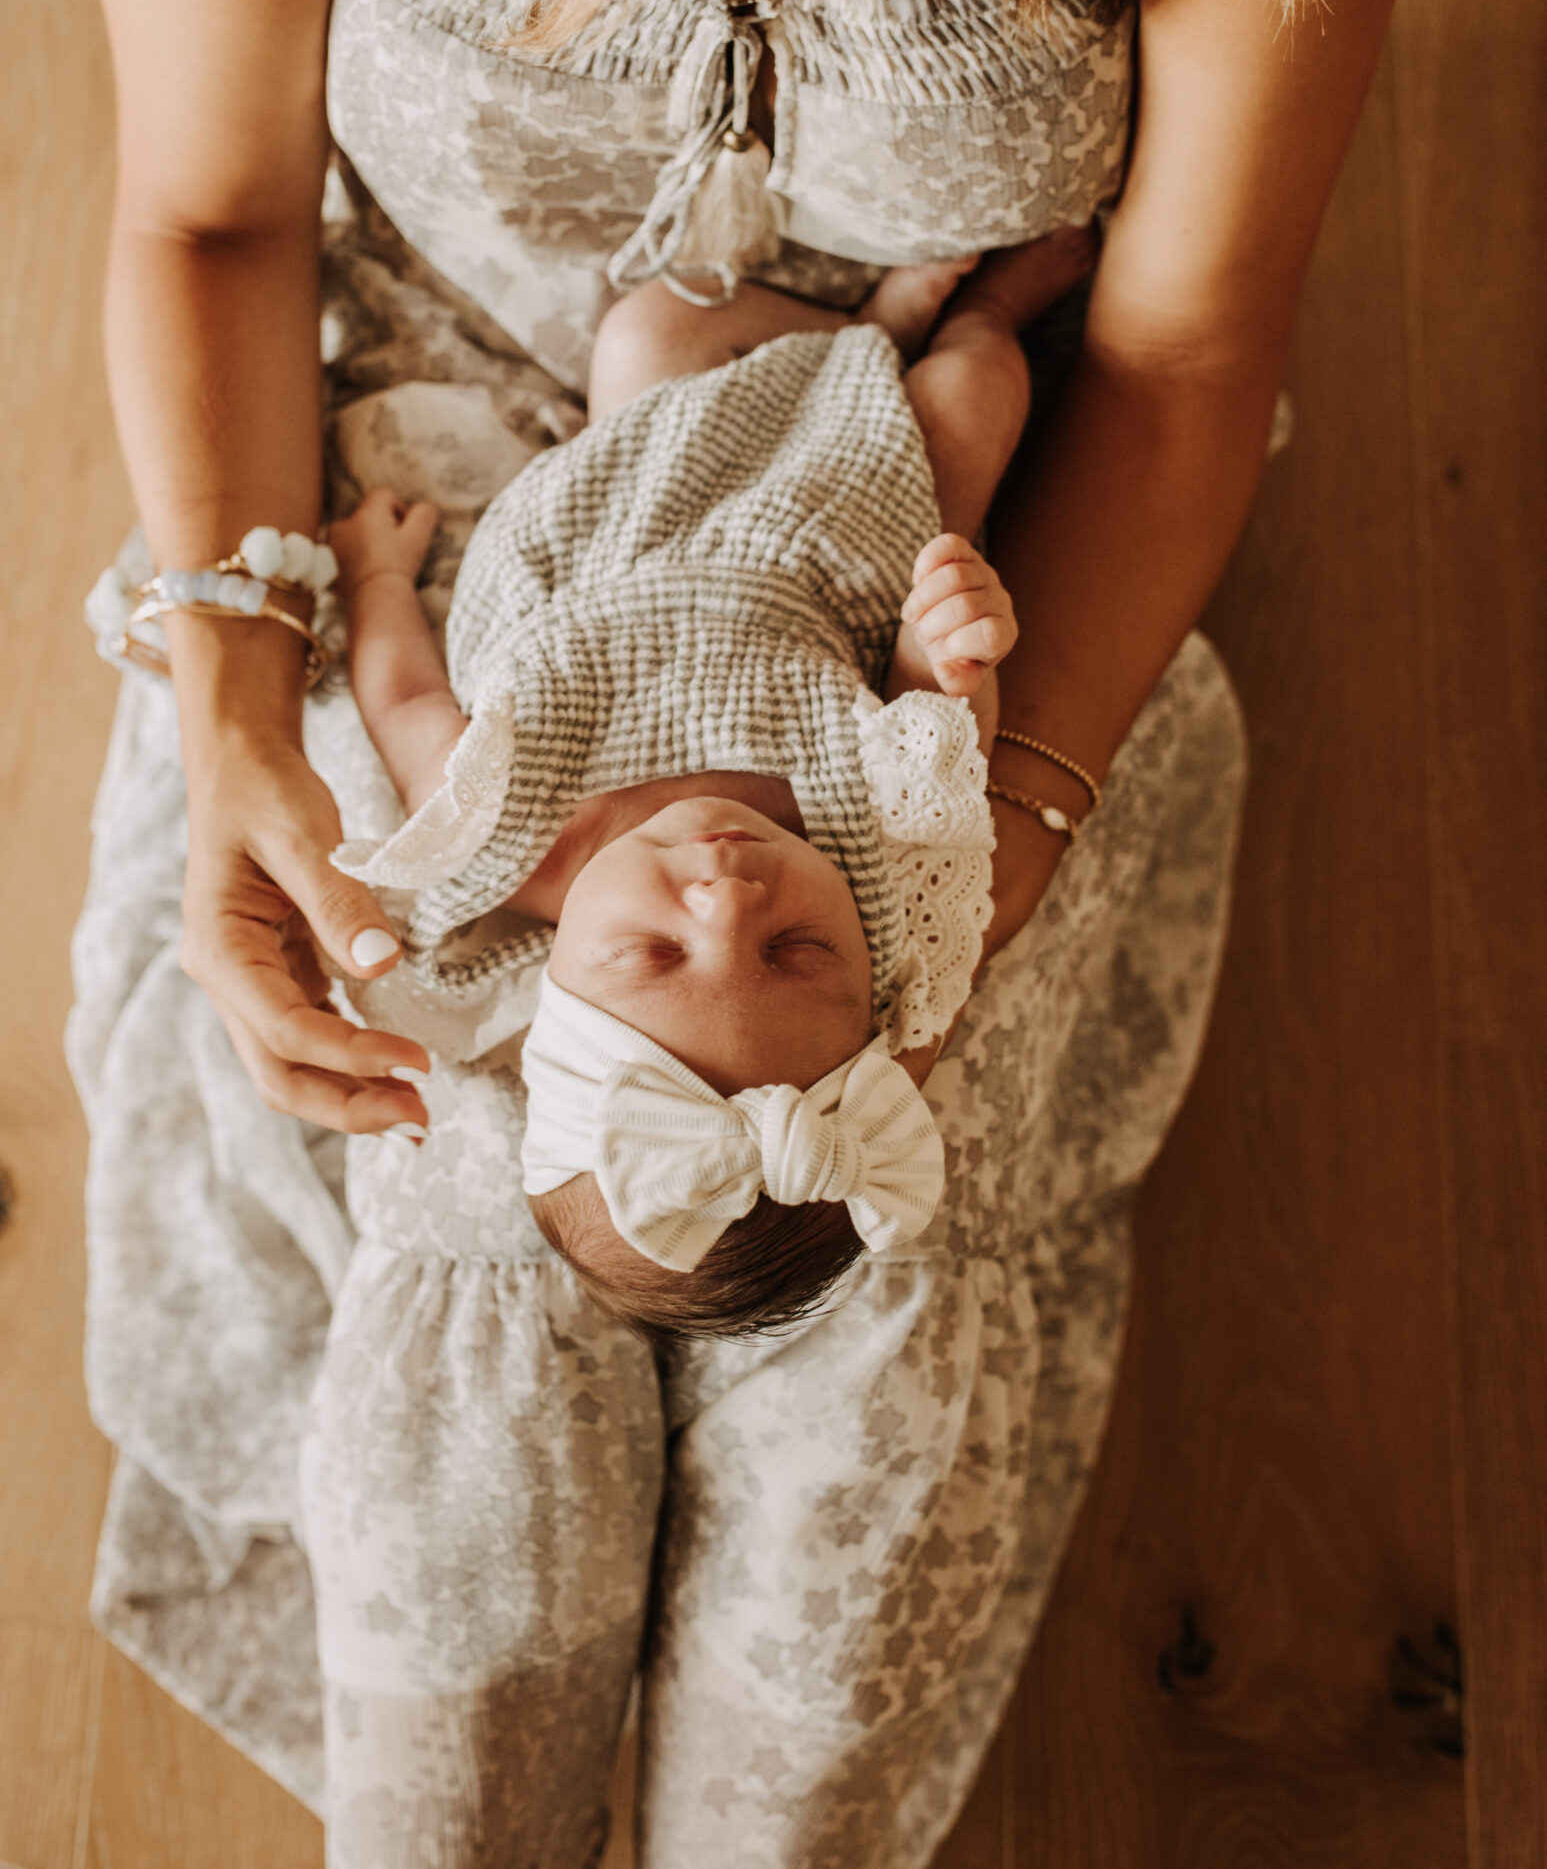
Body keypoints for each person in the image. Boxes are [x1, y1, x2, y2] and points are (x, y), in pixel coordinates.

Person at [55, 0, 1507, 1869]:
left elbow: (1168, 368)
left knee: (875, 1299)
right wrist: (232, 709)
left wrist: (990, 831)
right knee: (437, 1219)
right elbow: (203, 212)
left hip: (958, 545)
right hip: (428, 475)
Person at [329, 237, 1088, 1336]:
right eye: (798, 952)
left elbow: (401, 696)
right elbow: (931, 745)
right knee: (975, 395)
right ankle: (972, 314)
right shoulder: (879, 867)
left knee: (648, 328)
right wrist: (951, 655)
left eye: (655, 954)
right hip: (840, 541)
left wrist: (376, 577)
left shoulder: (507, 837)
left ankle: (870, 326)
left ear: (558, 1000)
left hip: (631, 504)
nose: (731, 902)